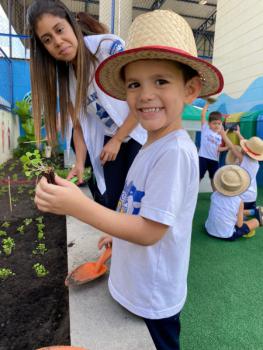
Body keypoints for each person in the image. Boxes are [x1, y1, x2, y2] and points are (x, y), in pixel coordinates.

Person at [34, 9, 224, 349]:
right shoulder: (150, 146)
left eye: (161, 81)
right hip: (134, 286)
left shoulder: (176, 152)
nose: (145, 94)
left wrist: (79, 207)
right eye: (135, 84)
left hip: (153, 300)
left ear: (191, 89)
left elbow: (151, 231)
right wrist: (115, 234)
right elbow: (135, 208)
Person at [27, 0, 147, 210]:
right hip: (110, 139)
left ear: (72, 24)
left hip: (139, 131)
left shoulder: (107, 48)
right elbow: (79, 128)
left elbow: (142, 99)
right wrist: (80, 163)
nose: (57, 41)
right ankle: (116, 241)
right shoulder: (66, 80)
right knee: (114, 202)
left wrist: (118, 139)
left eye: (59, 29)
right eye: (47, 39)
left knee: (137, 202)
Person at [205, 165, 262, 240]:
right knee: (255, 222)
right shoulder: (239, 201)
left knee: (233, 212)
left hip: (209, 229)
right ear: (239, 186)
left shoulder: (214, 194)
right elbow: (239, 224)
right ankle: (257, 215)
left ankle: (254, 212)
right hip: (228, 234)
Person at [223, 126, 263, 211]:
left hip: (243, 199)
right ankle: (253, 211)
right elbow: (248, 146)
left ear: (246, 150)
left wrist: (223, 135)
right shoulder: (256, 163)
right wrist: (238, 134)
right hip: (253, 197)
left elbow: (232, 147)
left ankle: (245, 213)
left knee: (230, 208)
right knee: (251, 210)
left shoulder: (242, 159)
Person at [198, 101, 228, 190]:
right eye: (214, 123)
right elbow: (203, 115)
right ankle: (192, 193)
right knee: (198, 177)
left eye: (219, 123)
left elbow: (218, 149)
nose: (217, 125)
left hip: (214, 160)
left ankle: (215, 194)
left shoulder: (219, 136)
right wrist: (207, 104)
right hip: (203, 157)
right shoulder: (205, 128)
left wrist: (227, 147)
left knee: (214, 178)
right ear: (209, 123)